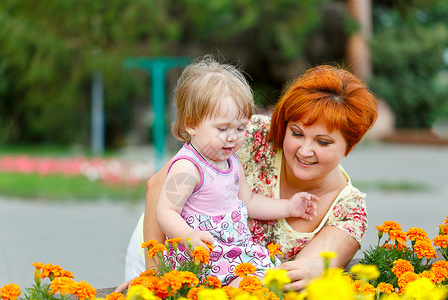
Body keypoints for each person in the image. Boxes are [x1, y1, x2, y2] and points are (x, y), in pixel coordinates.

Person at [118, 63, 378, 292]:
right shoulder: (248, 133)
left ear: (349, 145)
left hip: (233, 279)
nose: (305, 150)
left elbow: (297, 274)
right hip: (166, 251)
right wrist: (154, 275)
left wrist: (315, 266)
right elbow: (158, 186)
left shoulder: (348, 210)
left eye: (323, 142)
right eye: (297, 133)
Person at [155, 56, 318, 286]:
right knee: (245, 287)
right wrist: (188, 236)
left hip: (234, 252)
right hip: (203, 255)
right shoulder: (188, 167)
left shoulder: (231, 162)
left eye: (241, 128)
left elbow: (248, 201)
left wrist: (289, 206)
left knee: (268, 282)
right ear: (191, 124)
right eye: (222, 128)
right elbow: (165, 211)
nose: (233, 137)